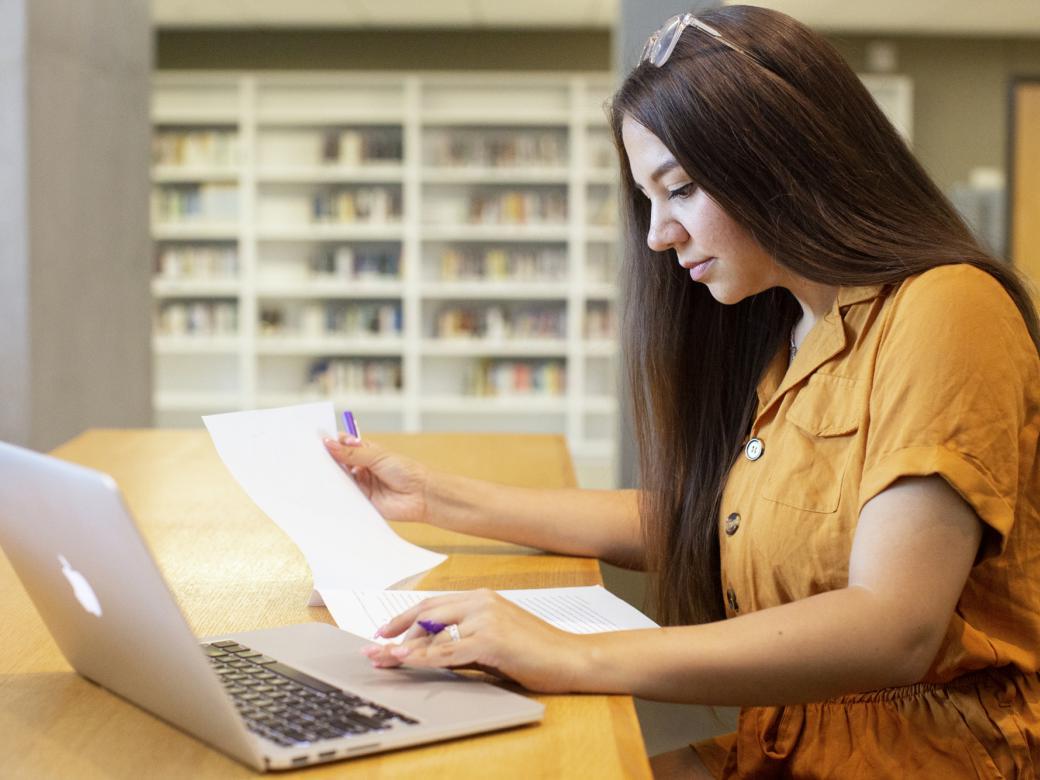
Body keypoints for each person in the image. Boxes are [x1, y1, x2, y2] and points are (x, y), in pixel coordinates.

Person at [323, 6, 1040, 776]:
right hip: (779, 745)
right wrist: (434, 498)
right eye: (649, 200)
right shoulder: (789, 330)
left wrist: (573, 656)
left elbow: (892, 625)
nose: (660, 234)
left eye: (684, 189)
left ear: (787, 158)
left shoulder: (948, 308)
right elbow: (708, 515)